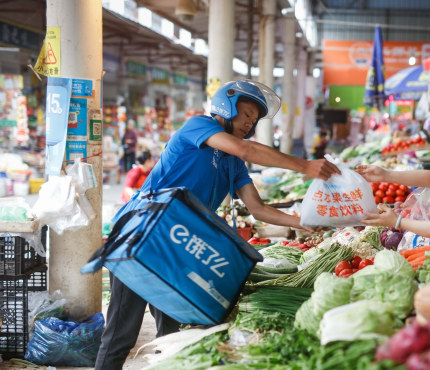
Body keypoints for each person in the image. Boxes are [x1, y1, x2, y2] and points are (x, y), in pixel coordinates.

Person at [95, 80, 339, 370]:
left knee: (172, 337)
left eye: (254, 120)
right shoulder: (198, 126)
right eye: (247, 114)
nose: (249, 123)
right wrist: (305, 166)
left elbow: (257, 209)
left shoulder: (233, 162)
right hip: (143, 236)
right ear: (227, 105)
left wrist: (303, 222)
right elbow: (246, 149)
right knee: (122, 333)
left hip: (178, 245)